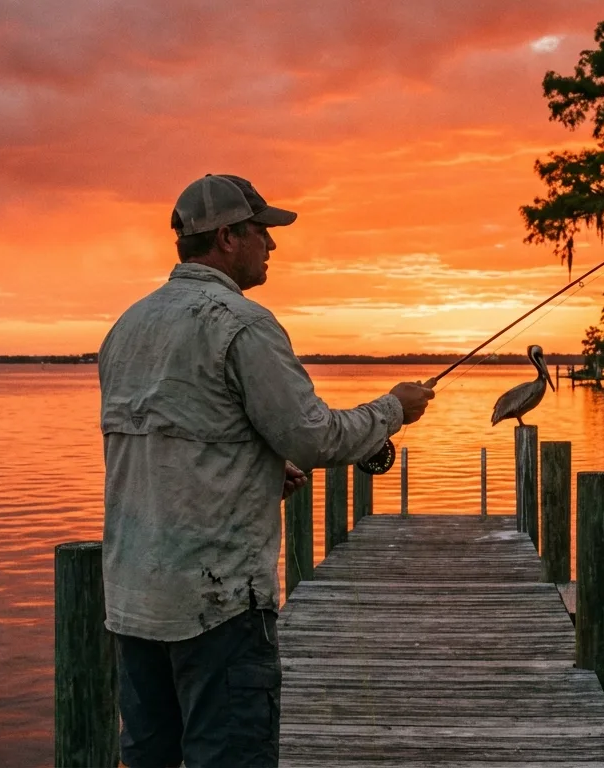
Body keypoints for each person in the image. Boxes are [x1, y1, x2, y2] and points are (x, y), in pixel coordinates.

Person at [97, 173, 435, 767]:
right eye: (262, 232)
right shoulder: (243, 324)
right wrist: (391, 409)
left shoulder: (127, 326)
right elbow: (315, 437)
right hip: (219, 605)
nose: (272, 245)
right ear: (227, 237)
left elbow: (169, 438)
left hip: (133, 603)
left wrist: (257, 467)